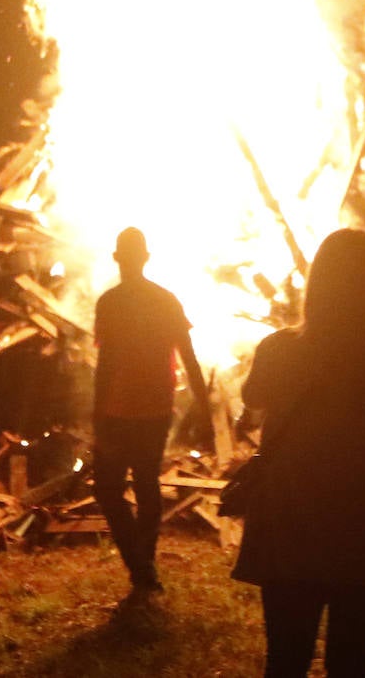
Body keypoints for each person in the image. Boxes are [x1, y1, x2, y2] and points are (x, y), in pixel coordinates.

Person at [231, 228, 365, 677]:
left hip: (292, 516)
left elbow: (254, 398)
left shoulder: (280, 349)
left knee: (286, 657)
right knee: (352, 661)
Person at [92, 226, 210, 599]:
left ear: (119, 259)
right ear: (145, 258)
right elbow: (189, 355)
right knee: (145, 483)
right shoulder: (165, 299)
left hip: (120, 409)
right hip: (156, 407)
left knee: (111, 490)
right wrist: (204, 404)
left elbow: (105, 363)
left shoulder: (110, 302)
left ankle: (140, 564)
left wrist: (97, 413)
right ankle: (143, 562)